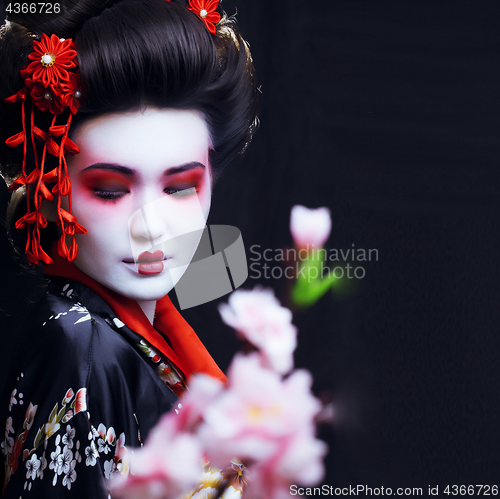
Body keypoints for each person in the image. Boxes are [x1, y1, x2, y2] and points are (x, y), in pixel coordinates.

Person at [0, 0, 257, 497]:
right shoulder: (81, 348)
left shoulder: (126, 334)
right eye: (111, 191)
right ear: (51, 192)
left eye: (180, 187)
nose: (151, 227)